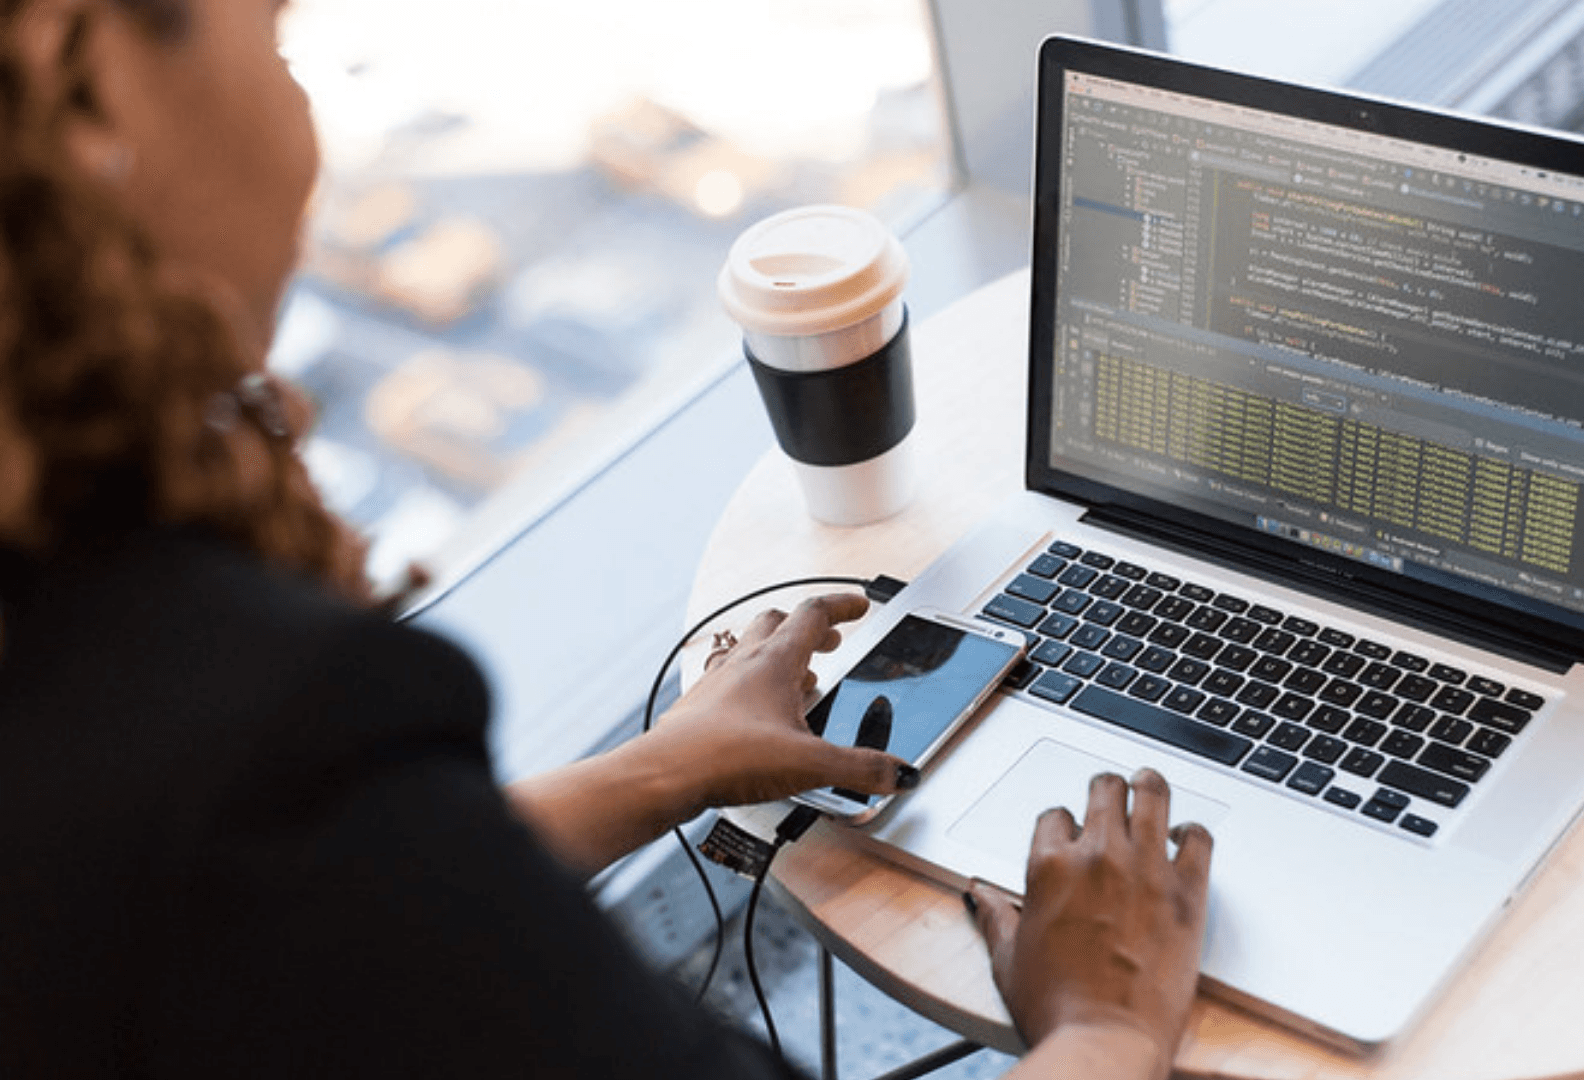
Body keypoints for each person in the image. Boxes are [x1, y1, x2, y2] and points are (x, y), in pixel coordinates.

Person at [0, 1, 1215, 1077]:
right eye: (273, 32)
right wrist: (1103, 1031)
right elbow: (284, 864)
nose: (296, 97)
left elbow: (307, 916)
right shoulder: (250, 724)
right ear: (88, 80)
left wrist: (668, 763)